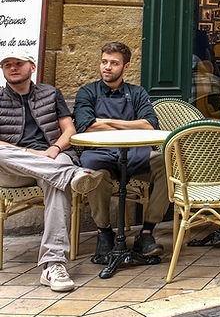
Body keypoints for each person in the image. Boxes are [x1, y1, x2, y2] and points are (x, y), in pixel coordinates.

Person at [0, 52, 109, 292]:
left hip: (52, 158)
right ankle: (72, 176)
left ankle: (53, 265)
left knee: (56, 185)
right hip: (13, 168)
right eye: (7, 65)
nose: (13, 68)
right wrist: (32, 154)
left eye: (18, 63)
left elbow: (69, 129)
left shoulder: (50, 93)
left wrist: (55, 148)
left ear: (32, 66)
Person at [73, 42, 170, 263]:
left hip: (136, 154)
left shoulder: (137, 93)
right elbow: (86, 126)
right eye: (104, 62)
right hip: (100, 155)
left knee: (166, 164)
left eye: (114, 63)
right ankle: (104, 232)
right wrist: (129, 124)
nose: (107, 67)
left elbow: (149, 125)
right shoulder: (87, 92)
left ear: (125, 67)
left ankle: (146, 232)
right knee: (92, 174)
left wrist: (106, 121)